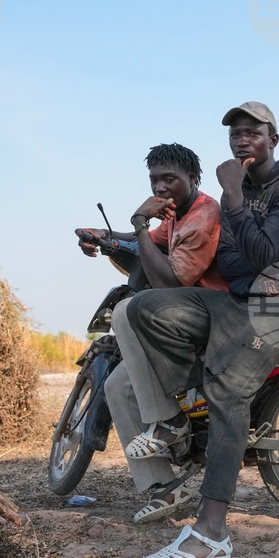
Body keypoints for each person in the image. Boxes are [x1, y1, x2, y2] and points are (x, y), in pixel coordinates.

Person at [124, 101, 279, 558]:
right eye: (235, 133)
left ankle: (211, 533)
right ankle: (179, 412)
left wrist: (235, 197)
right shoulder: (237, 191)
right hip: (244, 298)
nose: (241, 139)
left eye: (252, 132)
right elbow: (236, 262)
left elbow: (256, 251)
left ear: (273, 138)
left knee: (228, 392)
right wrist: (270, 259)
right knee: (147, 308)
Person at [74, 143, 227, 524]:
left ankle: (168, 419)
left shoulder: (203, 216)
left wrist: (142, 222)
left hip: (208, 321)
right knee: (116, 388)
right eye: (154, 180)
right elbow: (143, 243)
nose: (160, 188)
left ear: (193, 179)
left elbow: (169, 281)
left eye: (169, 180)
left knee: (129, 309)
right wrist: (104, 235)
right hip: (180, 318)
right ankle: (162, 486)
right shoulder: (174, 216)